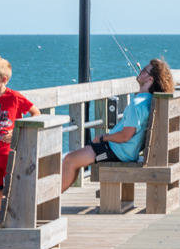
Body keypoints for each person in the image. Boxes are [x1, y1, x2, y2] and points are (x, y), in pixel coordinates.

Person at [61, 59, 174, 191]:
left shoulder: (138, 104)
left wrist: (103, 138)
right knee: (74, 160)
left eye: (144, 70)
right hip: (126, 151)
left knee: (69, 160)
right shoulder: (148, 101)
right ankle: (56, 196)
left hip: (118, 151)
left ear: (150, 78)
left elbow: (126, 135)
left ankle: (52, 201)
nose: (140, 71)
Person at [0, 57, 41, 209]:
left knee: (13, 189)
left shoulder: (14, 97)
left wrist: (16, 131)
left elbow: (36, 113)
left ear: (3, 79)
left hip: (10, 151)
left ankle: (13, 220)